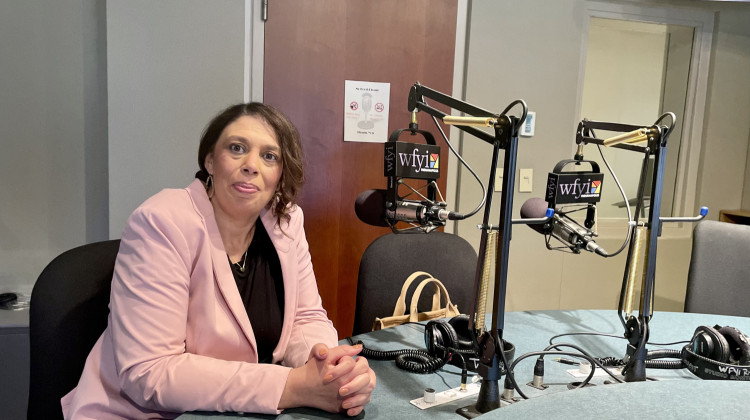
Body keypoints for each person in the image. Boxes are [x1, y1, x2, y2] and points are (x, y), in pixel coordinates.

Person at [62, 103, 376, 419]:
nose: (252, 165)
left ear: (280, 173)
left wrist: (328, 367)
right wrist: (293, 385)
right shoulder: (161, 223)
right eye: (237, 148)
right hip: (143, 414)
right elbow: (149, 372)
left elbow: (305, 318)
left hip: (235, 411)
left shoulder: (286, 221)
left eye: (269, 156)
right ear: (210, 160)